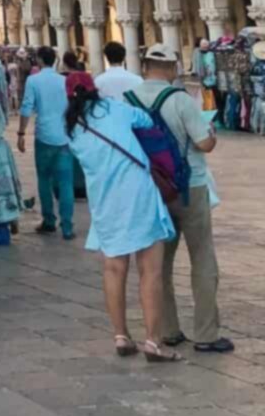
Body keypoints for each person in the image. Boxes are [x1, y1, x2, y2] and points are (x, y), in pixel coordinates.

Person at [64, 71, 178, 361]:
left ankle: (121, 336)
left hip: (104, 200)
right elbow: (146, 121)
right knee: (150, 270)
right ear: (94, 89)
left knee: (114, 268)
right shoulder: (114, 108)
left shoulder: (72, 128)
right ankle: (153, 341)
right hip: (137, 193)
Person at [134, 44, 233, 353]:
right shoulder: (180, 100)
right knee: (202, 257)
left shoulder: (128, 100)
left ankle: (167, 329)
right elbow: (204, 144)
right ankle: (205, 334)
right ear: (173, 68)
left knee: (158, 261)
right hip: (190, 187)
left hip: (152, 189)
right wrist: (212, 134)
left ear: (145, 66)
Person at [17, 46, 75, 239]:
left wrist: (21, 132)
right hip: (64, 136)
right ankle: (67, 226)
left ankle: (49, 220)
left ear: (40, 60)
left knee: (44, 179)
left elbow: (26, 108)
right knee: (66, 182)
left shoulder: (33, 80)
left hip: (44, 136)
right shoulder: (64, 80)